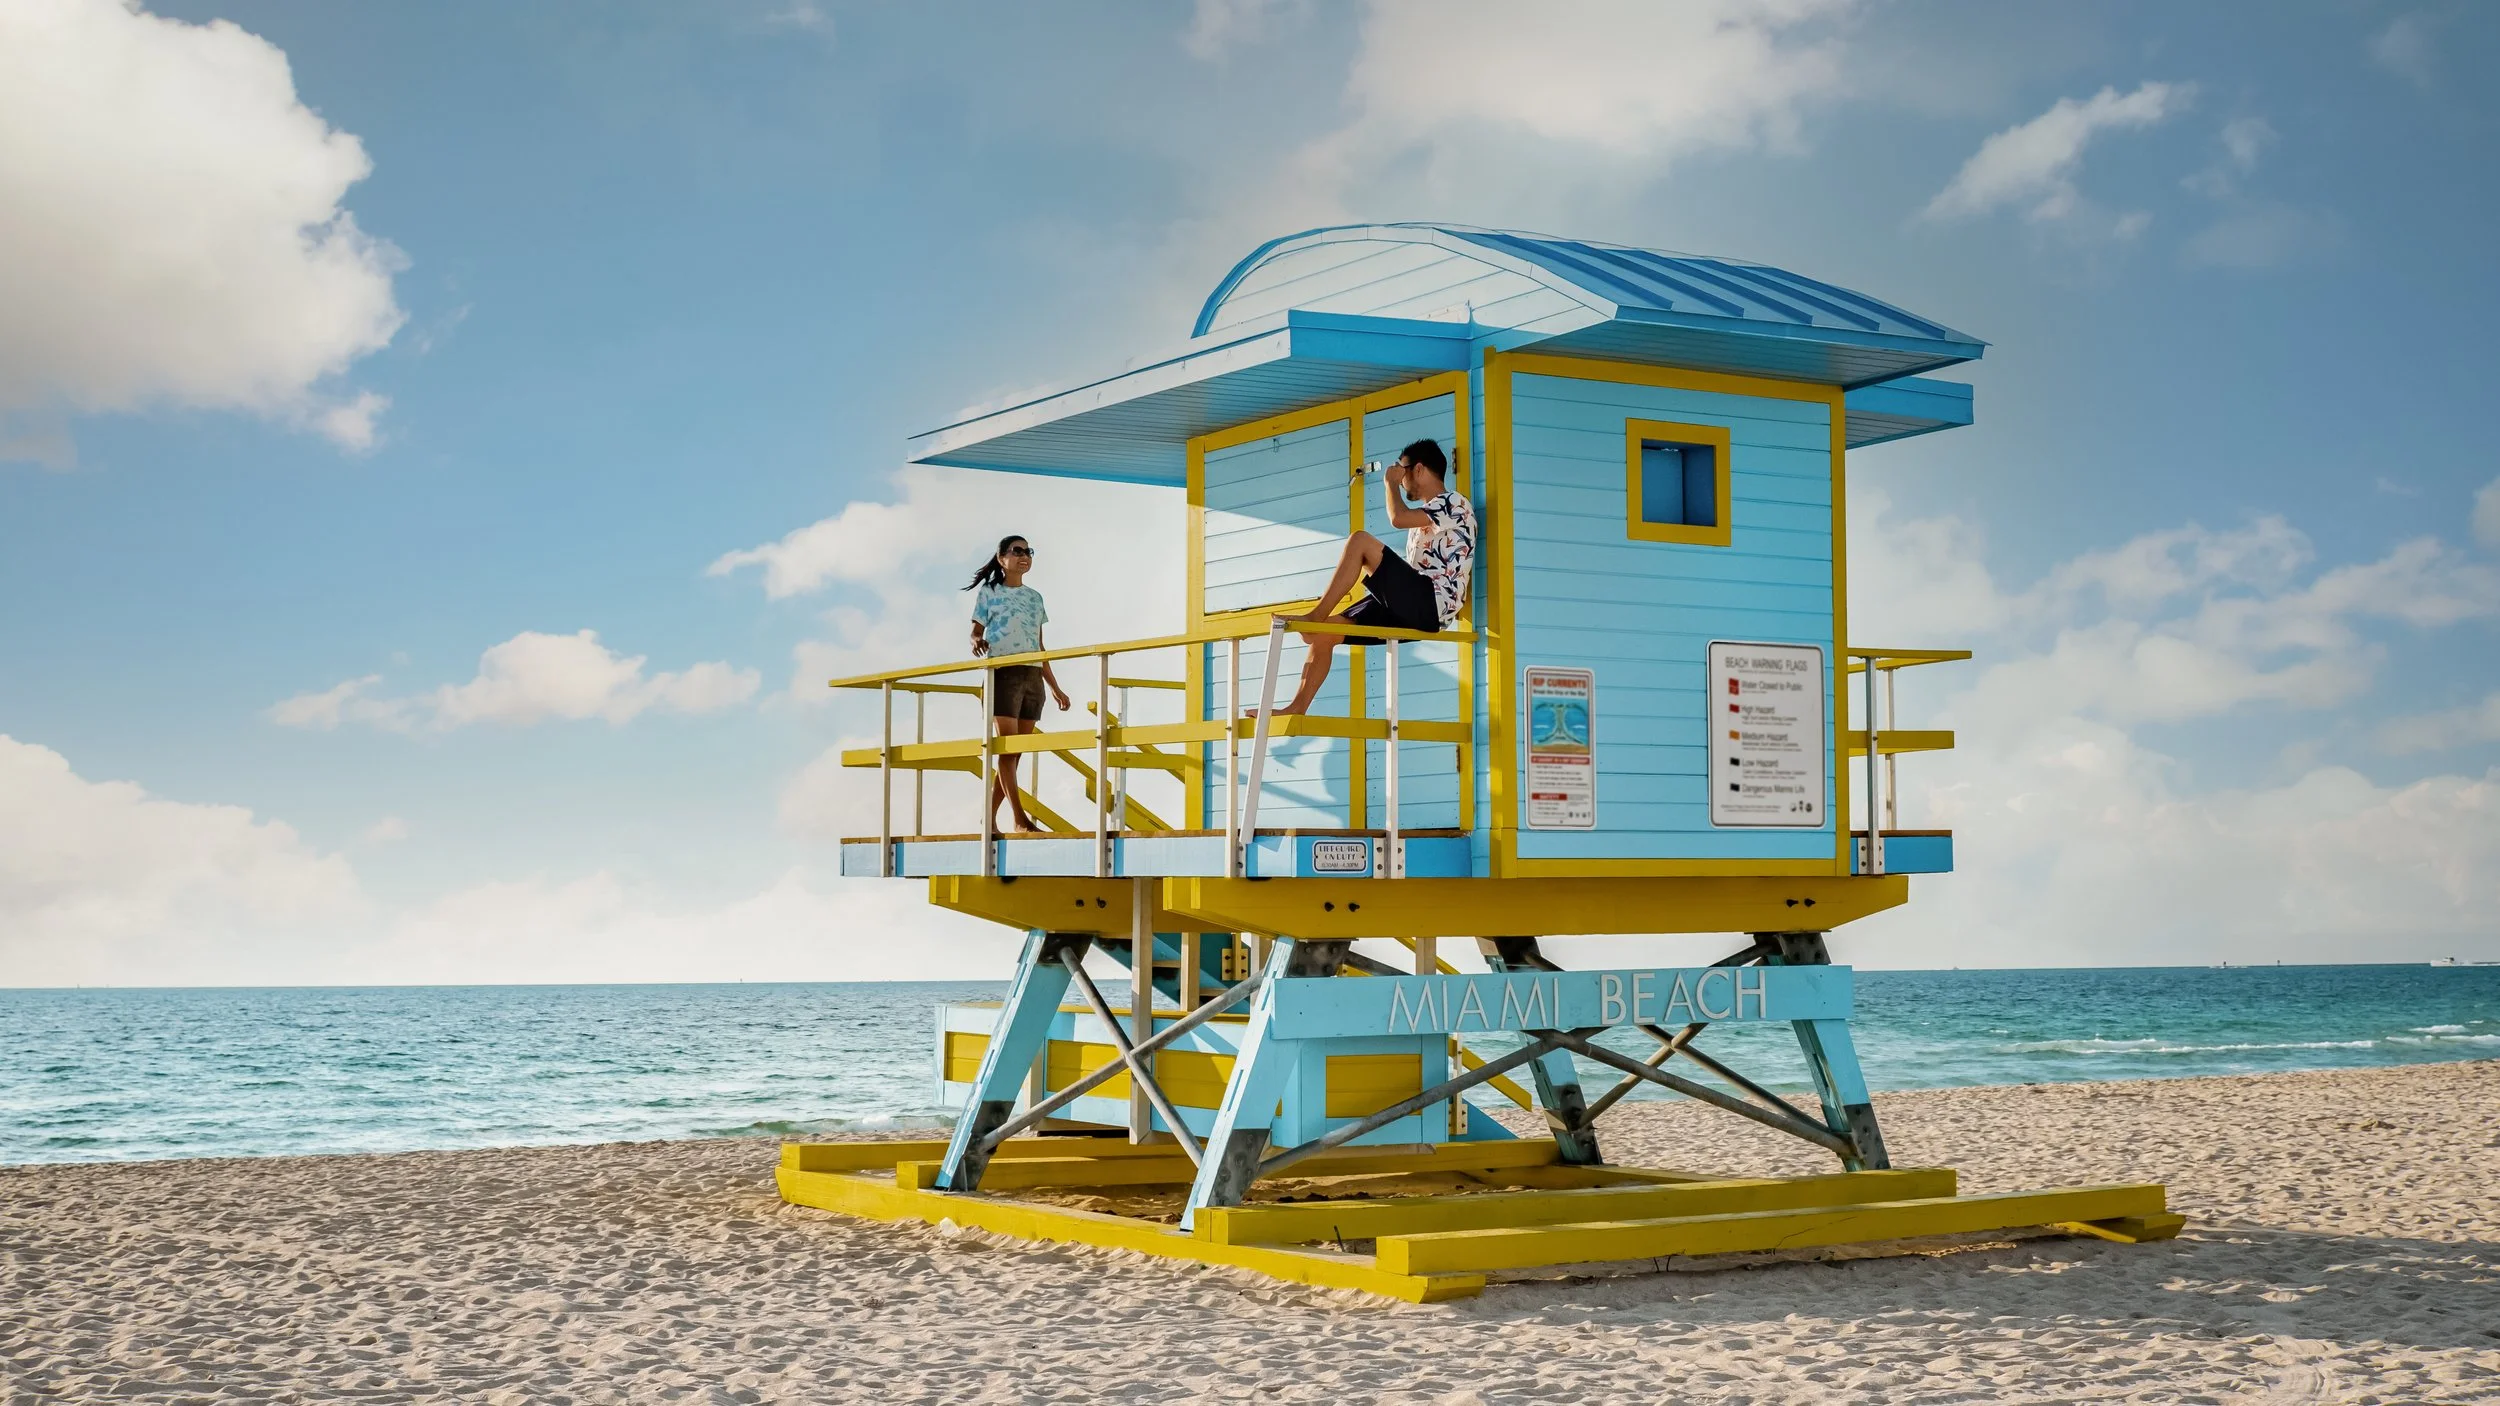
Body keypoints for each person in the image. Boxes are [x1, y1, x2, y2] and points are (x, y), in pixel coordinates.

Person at [1273, 438, 1475, 716]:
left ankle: (1314, 615)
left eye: (1402, 471)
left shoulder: (1453, 502)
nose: (1401, 480)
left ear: (1418, 470)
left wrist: (1389, 483)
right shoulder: (1426, 517)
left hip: (1430, 602)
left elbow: (1397, 518)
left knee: (1360, 541)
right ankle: (1297, 706)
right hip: (1414, 603)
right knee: (1325, 634)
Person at [965, 534, 1070, 833]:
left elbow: (1039, 644)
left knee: (1015, 754)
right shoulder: (990, 592)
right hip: (1002, 673)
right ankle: (1020, 820)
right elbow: (975, 631)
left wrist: (1055, 686)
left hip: (1032, 677)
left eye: (1029, 551)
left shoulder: (1035, 598)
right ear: (1002, 558)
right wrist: (976, 642)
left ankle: (990, 818)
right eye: (1017, 551)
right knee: (1008, 752)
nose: (1024, 556)